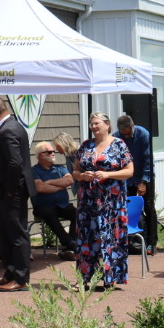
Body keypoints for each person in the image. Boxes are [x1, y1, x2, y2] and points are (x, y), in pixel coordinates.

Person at [71, 112, 135, 291]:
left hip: (111, 202)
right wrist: (82, 175)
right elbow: (75, 171)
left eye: (97, 123)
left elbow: (129, 171)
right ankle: (84, 278)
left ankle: (111, 278)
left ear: (107, 125)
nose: (94, 127)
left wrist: (108, 174)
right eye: (91, 124)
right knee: (86, 239)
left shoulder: (118, 145)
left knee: (110, 238)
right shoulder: (85, 145)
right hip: (87, 202)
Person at [0, 96, 32, 292]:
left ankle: (20, 278)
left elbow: (15, 163)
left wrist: (9, 191)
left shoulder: (9, 130)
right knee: (5, 234)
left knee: (17, 234)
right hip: (8, 193)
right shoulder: (14, 126)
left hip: (13, 193)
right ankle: (10, 273)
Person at [30, 141, 76, 257]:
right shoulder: (34, 171)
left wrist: (49, 182)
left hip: (62, 205)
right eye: (49, 152)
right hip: (43, 206)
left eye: (53, 152)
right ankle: (69, 243)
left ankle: (70, 246)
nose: (53, 154)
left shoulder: (60, 168)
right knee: (49, 213)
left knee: (77, 213)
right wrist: (61, 186)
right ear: (40, 155)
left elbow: (70, 181)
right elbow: (40, 188)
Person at [118, 114, 156, 249]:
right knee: (129, 210)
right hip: (127, 180)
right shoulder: (116, 136)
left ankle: (152, 242)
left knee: (148, 208)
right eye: (123, 135)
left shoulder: (143, 134)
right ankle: (132, 243)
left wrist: (144, 182)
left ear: (132, 126)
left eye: (128, 134)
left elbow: (148, 160)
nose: (126, 137)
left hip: (144, 176)